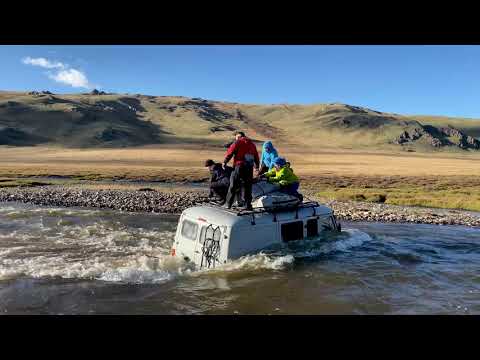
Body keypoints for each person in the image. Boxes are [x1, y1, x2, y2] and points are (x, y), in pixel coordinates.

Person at [223, 131, 260, 210]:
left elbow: (230, 152)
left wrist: (225, 162)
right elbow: (256, 155)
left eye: (236, 137)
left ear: (239, 136)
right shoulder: (252, 144)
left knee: (233, 185)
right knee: (247, 187)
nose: (235, 139)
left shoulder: (237, 142)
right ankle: (247, 205)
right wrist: (256, 166)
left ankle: (228, 204)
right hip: (249, 168)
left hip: (239, 166)